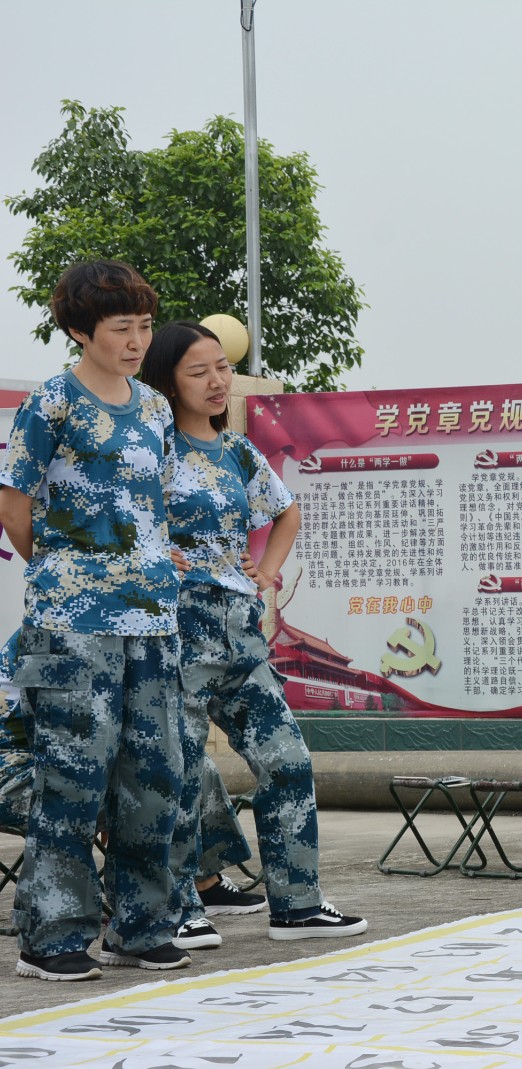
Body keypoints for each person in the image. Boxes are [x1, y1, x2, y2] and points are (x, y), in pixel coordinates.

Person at [141, 321, 366, 941]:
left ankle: (297, 905)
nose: (217, 382)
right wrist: (157, 553)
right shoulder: (149, 450)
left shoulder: (237, 451)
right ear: (167, 380)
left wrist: (266, 569)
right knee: (179, 770)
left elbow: (286, 510)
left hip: (241, 633)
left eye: (222, 368)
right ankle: (178, 908)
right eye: (199, 372)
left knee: (287, 760)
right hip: (176, 631)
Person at [0, 260, 189, 979]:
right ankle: (52, 935)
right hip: (71, 618)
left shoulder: (155, 408)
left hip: (152, 617)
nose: (138, 340)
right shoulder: (50, 403)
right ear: (81, 330)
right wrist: (65, 575)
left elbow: (156, 505)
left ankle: (141, 926)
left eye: (144, 326)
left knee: (155, 772)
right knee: (73, 776)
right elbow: (14, 505)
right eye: (122, 328)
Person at [0, 627, 262, 956]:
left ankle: (200, 880)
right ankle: (141, 902)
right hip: (17, 770)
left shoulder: (132, 634)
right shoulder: (63, 631)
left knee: (186, 763)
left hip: (63, 758)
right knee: (126, 783)